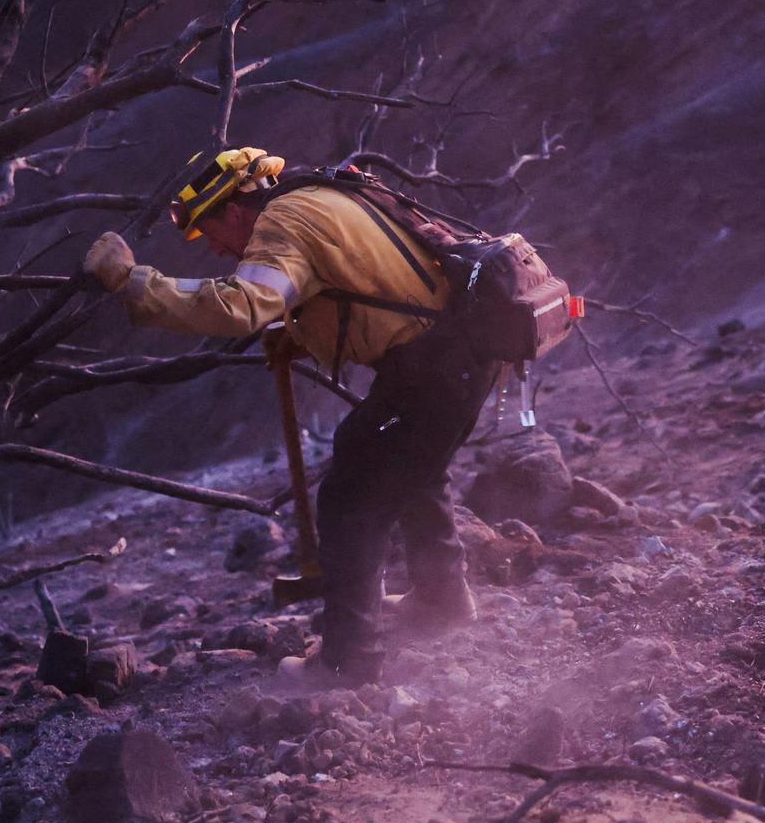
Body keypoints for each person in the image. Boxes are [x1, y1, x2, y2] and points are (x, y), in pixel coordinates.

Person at [83, 148, 501, 690]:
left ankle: (349, 663)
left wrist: (134, 283)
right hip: (460, 354)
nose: (216, 247)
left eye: (213, 230)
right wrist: (299, 336)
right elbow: (358, 280)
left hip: (435, 367)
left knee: (352, 495)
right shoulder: (318, 197)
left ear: (236, 209)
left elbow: (239, 306)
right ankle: (443, 600)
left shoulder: (281, 221)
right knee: (413, 466)